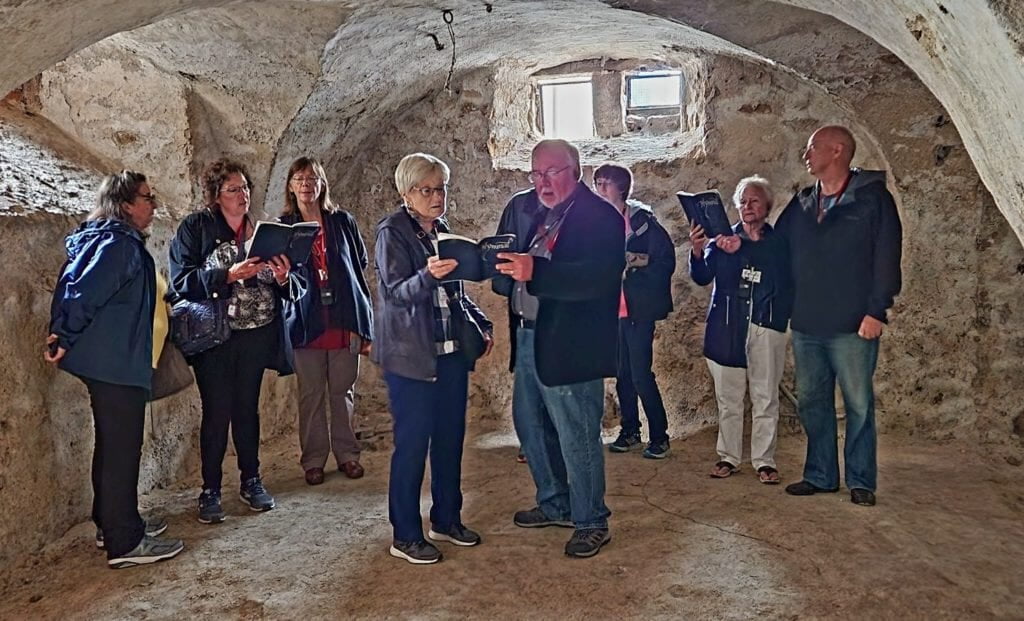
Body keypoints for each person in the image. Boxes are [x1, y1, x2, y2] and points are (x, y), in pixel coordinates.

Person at [492, 139, 625, 559]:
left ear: (577, 170)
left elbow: (598, 279)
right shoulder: (539, 212)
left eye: (551, 173)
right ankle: (556, 503)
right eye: (536, 174)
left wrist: (538, 271)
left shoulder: (598, 216)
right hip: (531, 334)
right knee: (530, 423)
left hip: (572, 344)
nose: (542, 183)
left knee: (577, 433)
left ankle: (591, 520)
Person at [46, 171, 184, 569]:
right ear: (125, 204)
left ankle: (113, 524)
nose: (153, 204)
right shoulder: (118, 244)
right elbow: (85, 291)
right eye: (146, 197)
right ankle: (125, 543)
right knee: (122, 451)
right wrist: (63, 334)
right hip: (116, 363)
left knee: (111, 447)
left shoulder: (110, 239)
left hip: (113, 361)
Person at [372, 152, 493, 565]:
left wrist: (480, 321)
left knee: (449, 441)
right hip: (411, 358)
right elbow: (394, 294)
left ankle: (446, 518)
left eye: (441, 188)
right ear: (407, 194)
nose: (437, 196)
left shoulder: (441, 229)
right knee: (411, 446)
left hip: (449, 354)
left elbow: (454, 292)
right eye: (427, 190)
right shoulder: (392, 231)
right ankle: (405, 534)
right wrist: (428, 275)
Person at [776, 125, 902, 506]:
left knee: (858, 404)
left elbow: (886, 257)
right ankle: (820, 474)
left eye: (812, 147)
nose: (805, 155)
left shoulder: (872, 199)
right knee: (812, 402)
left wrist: (876, 309)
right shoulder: (801, 203)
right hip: (808, 322)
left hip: (854, 323)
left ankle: (861, 479)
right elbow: (775, 249)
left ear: (837, 150)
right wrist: (736, 241)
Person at [169, 159, 300, 523]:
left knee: (247, 409)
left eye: (245, 188)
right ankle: (210, 489)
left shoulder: (260, 230)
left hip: (256, 332)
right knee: (216, 412)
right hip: (216, 336)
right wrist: (228, 274)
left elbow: (292, 286)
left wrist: (283, 276)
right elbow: (182, 281)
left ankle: (251, 479)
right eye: (233, 189)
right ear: (215, 195)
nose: (242, 195)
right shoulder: (195, 228)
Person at [689, 176, 793, 484]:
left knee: (765, 395)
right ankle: (728, 457)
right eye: (743, 202)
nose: (747, 207)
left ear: (767, 206)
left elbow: (782, 278)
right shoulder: (722, 239)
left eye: (754, 201)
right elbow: (702, 276)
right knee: (729, 397)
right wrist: (697, 250)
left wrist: (743, 250)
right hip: (727, 325)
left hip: (766, 323)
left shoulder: (779, 242)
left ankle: (764, 460)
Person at [280, 157, 373, 486]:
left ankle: (348, 455)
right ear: (291, 186)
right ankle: (314, 460)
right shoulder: (284, 227)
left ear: (322, 184)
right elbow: (282, 276)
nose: (306, 184)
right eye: (300, 178)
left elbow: (358, 265)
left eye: (313, 178)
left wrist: (365, 325)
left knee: (343, 391)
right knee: (311, 395)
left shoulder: (341, 221)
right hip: (306, 323)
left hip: (343, 318)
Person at [592, 163, 676, 459]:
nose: (600, 188)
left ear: (622, 189)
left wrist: (632, 264)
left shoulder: (643, 224)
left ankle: (660, 436)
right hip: (612, 311)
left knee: (641, 374)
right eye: (597, 182)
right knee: (622, 374)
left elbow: (664, 261)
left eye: (606, 183)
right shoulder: (595, 225)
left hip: (639, 310)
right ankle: (630, 430)